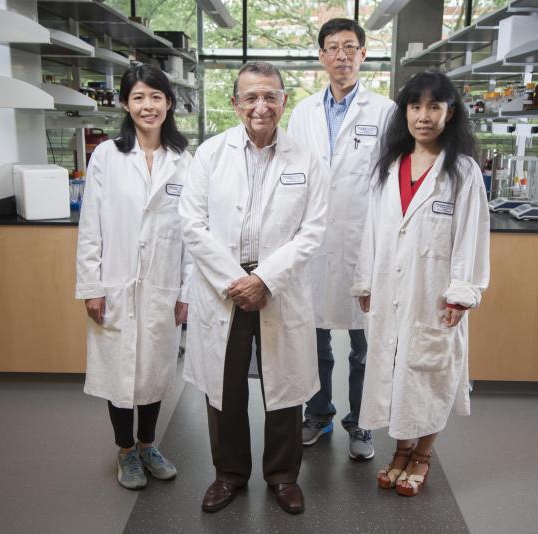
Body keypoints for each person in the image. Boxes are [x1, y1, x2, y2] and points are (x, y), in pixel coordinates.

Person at [179, 62, 328, 515]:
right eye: (250, 97)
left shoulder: (306, 158)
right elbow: (192, 222)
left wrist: (264, 279)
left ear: (284, 101)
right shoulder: (209, 153)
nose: (260, 106)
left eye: (270, 96)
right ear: (235, 103)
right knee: (224, 387)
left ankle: (283, 476)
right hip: (224, 287)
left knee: (283, 388)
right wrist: (235, 280)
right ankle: (229, 475)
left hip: (277, 287)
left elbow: (314, 228)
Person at [351, 70, 490, 497]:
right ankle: (400, 448)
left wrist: (462, 295)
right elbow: (372, 230)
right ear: (405, 113)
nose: (423, 116)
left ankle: (423, 455)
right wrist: (365, 281)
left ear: (450, 113)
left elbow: (472, 237)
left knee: (430, 374)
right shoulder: (391, 166)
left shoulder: (462, 172)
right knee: (396, 372)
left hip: (435, 297)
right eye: (415, 106)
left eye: (434, 106)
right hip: (390, 292)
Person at [75, 64, 192, 490]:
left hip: (162, 284)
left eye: (156, 97)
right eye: (139, 97)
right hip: (116, 283)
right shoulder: (107, 155)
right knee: (119, 371)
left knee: (155, 371)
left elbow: (192, 234)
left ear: (168, 103)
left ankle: (148, 444)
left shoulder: (184, 161)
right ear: (125, 103)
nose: (148, 106)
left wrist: (186, 292)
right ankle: (125, 451)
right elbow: (91, 226)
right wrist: (91, 286)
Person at [288, 18, 395, 459]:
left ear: (364, 54)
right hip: (313, 242)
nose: (342, 56)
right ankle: (318, 413)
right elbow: (292, 178)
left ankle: (362, 423)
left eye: (350, 47)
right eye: (332, 48)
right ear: (321, 57)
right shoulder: (303, 112)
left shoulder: (385, 111)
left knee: (363, 342)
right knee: (314, 340)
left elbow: (390, 180)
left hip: (362, 242)